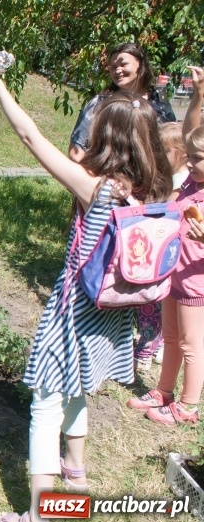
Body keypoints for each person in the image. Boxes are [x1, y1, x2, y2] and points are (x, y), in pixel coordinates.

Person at [0, 62, 172, 522]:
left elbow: (31, 139)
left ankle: (38, 518)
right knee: (79, 387)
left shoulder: (97, 189)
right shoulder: (154, 189)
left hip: (75, 312)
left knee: (45, 403)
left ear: (108, 138)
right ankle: (75, 471)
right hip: (115, 313)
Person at [70, 43, 176, 372]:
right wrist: (98, 190)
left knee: (146, 267)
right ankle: (98, 333)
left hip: (147, 201)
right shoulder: (100, 103)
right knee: (104, 267)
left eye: (124, 63)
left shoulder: (158, 105)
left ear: (141, 65)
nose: (118, 69)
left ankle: (147, 337)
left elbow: (173, 146)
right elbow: (77, 150)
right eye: (113, 64)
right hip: (108, 198)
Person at [127, 65, 204, 426]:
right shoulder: (190, 185)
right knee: (171, 336)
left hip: (196, 283)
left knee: (191, 344)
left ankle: (188, 406)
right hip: (176, 273)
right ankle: (164, 392)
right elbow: (190, 132)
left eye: (200, 159)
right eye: (193, 157)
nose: (194, 162)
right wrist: (199, 95)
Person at [133, 122, 190, 369]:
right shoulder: (168, 175)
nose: (159, 156)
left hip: (168, 251)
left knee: (153, 301)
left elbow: (167, 208)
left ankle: (148, 346)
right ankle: (157, 341)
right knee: (155, 301)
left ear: (181, 152)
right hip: (160, 247)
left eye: (165, 151)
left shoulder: (183, 182)